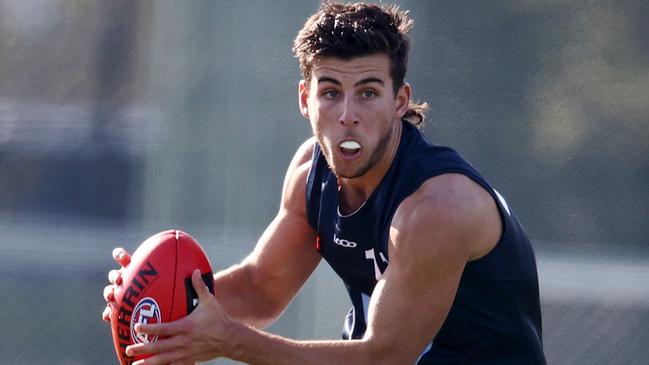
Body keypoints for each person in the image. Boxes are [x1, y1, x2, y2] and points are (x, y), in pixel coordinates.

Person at [103, 2, 546, 364]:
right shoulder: (309, 175)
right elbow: (261, 289)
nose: (348, 114)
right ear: (304, 99)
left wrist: (228, 340)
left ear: (400, 101)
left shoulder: (437, 207)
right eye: (331, 91)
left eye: (369, 93)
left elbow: (383, 358)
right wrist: (159, 306)